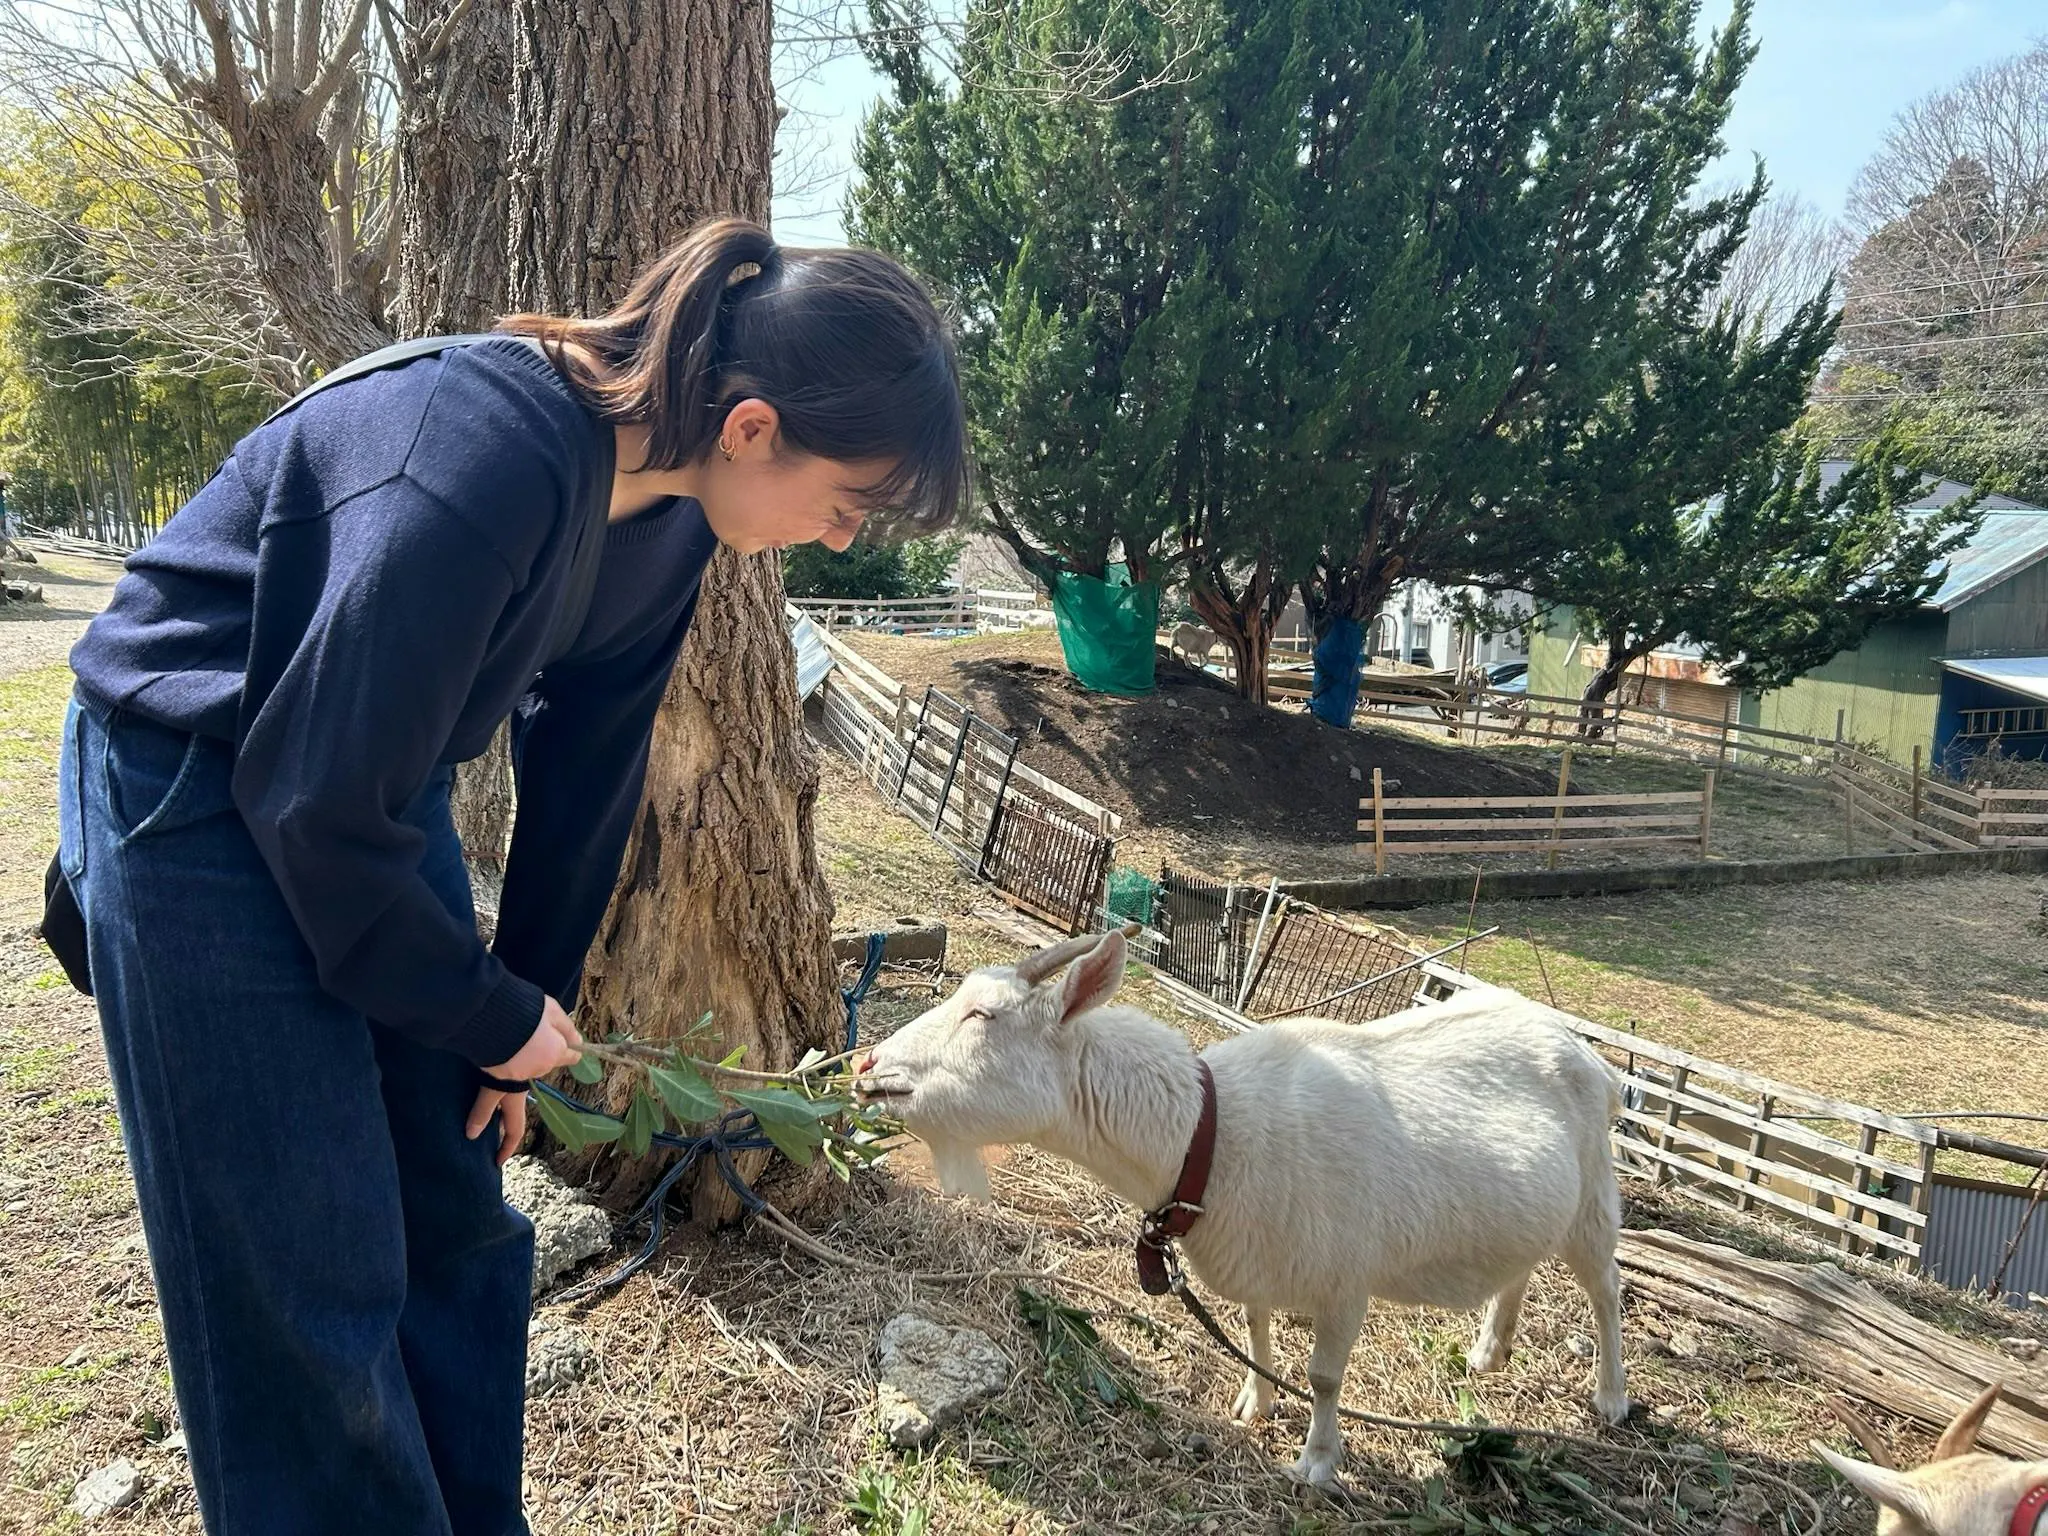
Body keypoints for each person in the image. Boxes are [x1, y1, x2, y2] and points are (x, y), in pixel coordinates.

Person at [55, 218, 968, 1536]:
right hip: (192, 773)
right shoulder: (479, 458)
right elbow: (312, 801)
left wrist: (522, 1010)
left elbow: (591, 761)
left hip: (353, 779)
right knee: (304, 1263)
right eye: (848, 503)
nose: (838, 538)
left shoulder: (672, 520)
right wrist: (478, 1008)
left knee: (453, 1199)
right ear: (753, 427)